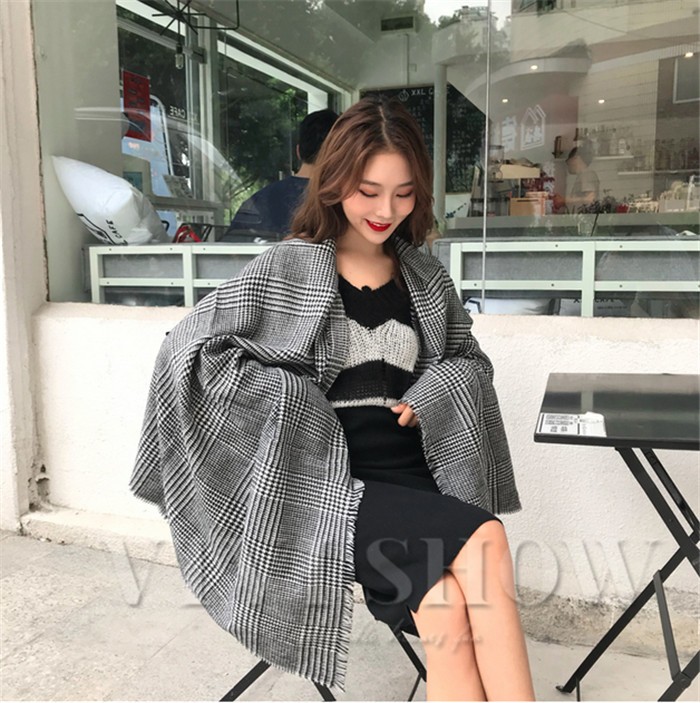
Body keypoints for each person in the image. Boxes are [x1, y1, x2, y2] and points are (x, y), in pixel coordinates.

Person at [131, 95, 534, 701]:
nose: (385, 210)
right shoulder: (287, 268)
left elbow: (470, 363)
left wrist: (437, 388)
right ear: (336, 181)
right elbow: (188, 349)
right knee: (486, 539)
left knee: (449, 612)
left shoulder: (426, 278)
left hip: (415, 474)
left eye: (403, 194)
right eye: (369, 191)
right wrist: (291, 398)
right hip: (330, 488)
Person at [222, 108, 338, 241]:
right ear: (339, 156)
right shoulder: (337, 203)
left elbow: (229, 247)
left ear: (298, 151)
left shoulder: (259, 201)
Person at [554, 143, 600, 214]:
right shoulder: (583, 175)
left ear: (576, 158)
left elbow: (590, 199)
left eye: (568, 162)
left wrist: (564, 200)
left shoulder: (587, 174)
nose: (568, 166)